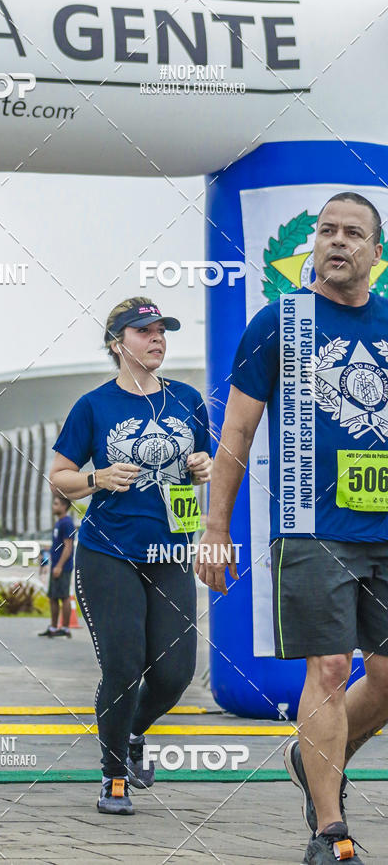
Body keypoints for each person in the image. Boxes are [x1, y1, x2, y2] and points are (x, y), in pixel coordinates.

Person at [197, 192, 388, 864]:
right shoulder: (280, 322)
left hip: (387, 529)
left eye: (352, 233)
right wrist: (214, 527)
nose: (336, 241)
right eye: (325, 231)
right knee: (330, 667)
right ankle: (330, 831)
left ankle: (314, 761)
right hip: (312, 527)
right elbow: (236, 432)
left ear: (376, 252)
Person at [50, 296, 212, 815]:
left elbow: (202, 459)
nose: (157, 338)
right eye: (145, 331)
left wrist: (203, 465)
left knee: (174, 673)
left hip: (170, 552)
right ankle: (114, 774)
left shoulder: (188, 399)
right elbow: (59, 476)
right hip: (108, 553)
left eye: (163, 330)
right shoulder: (93, 406)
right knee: (124, 667)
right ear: (118, 343)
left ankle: (132, 732)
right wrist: (96, 477)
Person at [38, 495, 75, 638]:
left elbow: (68, 547)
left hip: (63, 567)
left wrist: (59, 566)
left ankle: (65, 628)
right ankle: (53, 628)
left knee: (64, 596)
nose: (53, 506)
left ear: (64, 506)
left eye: (56, 504)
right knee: (53, 597)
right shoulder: (59, 523)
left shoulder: (67, 523)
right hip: (56, 565)